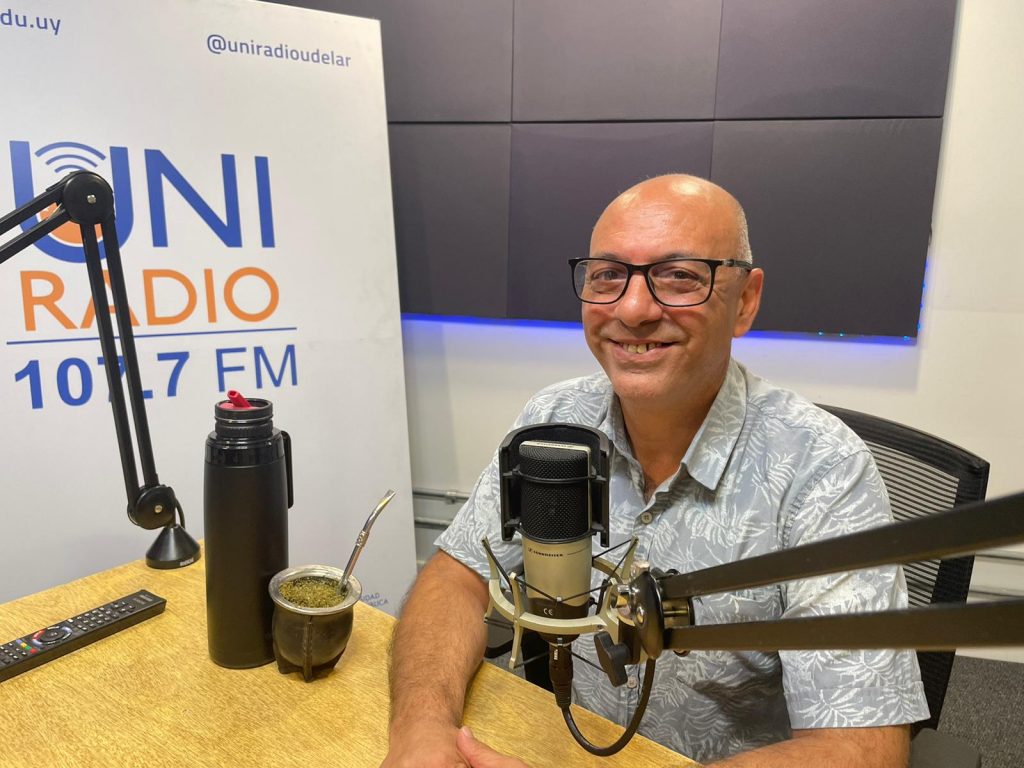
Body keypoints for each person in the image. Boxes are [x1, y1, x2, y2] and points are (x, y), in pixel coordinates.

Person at [382, 175, 928, 768]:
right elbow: (457, 575)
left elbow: (862, 747)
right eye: (607, 276)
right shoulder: (555, 422)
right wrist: (422, 727)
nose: (634, 309)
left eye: (679, 276)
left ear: (745, 301)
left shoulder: (821, 468)